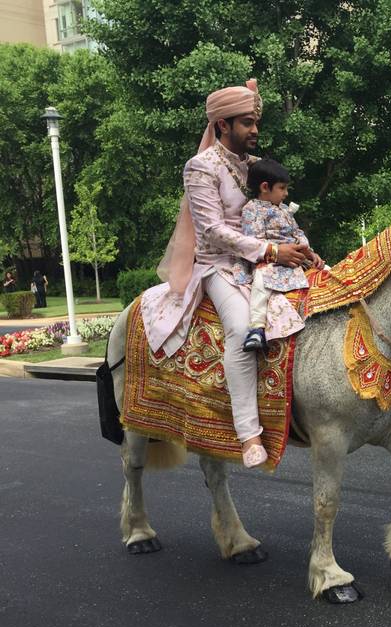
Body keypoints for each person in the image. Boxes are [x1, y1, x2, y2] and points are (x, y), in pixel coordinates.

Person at [139, 80, 310, 469]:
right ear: (221, 125)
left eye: (256, 123)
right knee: (239, 329)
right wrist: (270, 250)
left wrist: (295, 249)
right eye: (247, 123)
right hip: (218, 266)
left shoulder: (255, 167)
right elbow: (213, 230)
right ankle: (249, 434)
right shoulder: (200, 168)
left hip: (264, 263)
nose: (255, 131)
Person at [234, 158, 322, 352]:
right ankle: (256, 328)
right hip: (269, 260)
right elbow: (254, 240)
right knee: (260, 285)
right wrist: (276, 251)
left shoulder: (283, 210)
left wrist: (309, 251)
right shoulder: (251, 210)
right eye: (282, 188)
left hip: (296, 258)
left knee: (325, 273)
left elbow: (296, 231)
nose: (286, 193)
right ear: (265, 187)